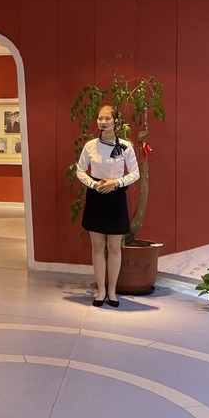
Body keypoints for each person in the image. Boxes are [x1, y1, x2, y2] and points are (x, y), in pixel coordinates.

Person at [76, 104, 140, 308]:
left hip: (116, 197)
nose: (103, 122)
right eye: (100, 118)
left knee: (114, 247)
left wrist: (116, 182)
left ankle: (112, 290)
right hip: (96, 196)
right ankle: (101, 290)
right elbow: (80, 170)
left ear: (115, 121)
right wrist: (94, 184)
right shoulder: (90, 145)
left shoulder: (126, 146)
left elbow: (135, 173)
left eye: (107, 118)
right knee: (97, 247)